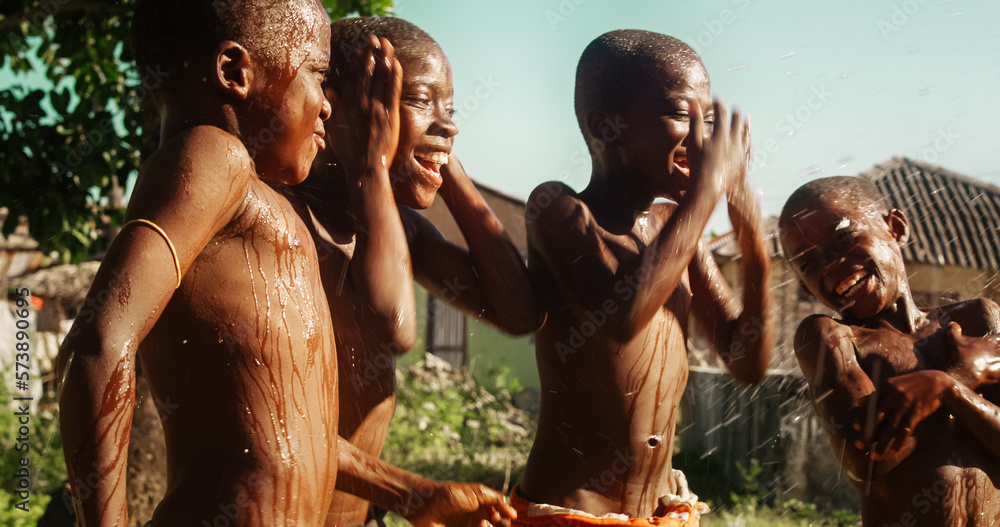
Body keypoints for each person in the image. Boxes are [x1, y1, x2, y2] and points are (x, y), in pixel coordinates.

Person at [57, 0, 340, 524]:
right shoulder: (215, 157)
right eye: (318, 74)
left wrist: (415, 489)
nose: (326, 105)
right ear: (235, 72)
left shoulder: (246, 192)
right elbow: (96, 345)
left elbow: (289, 432)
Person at [287, 17, 541, 527]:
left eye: (451, 109)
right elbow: (391, 324)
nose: (450, 124)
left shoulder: (397, 229)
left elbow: (521, 311)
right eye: (421, 100)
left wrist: (443, 161)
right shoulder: (282, 222)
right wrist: (372, 164)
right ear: (338, 105)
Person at [517, 29, 773, 526]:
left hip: (664, 511)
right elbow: (622, 316)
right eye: (683, 114)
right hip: (571, 512)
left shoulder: (676, 229)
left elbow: (746, 363)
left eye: (710, 119)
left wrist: (755, 249)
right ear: (605, 125)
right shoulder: (559, 209)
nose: (702, 137)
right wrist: (703, 194)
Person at [780, 175, 1000, 526]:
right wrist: (957, 378)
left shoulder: (978, 319)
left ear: (894, 227)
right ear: (807, 289)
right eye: (808, 264)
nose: (831, 264)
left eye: (845, 237)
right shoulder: (833, 338)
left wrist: (950, 389)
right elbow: (866, 458)